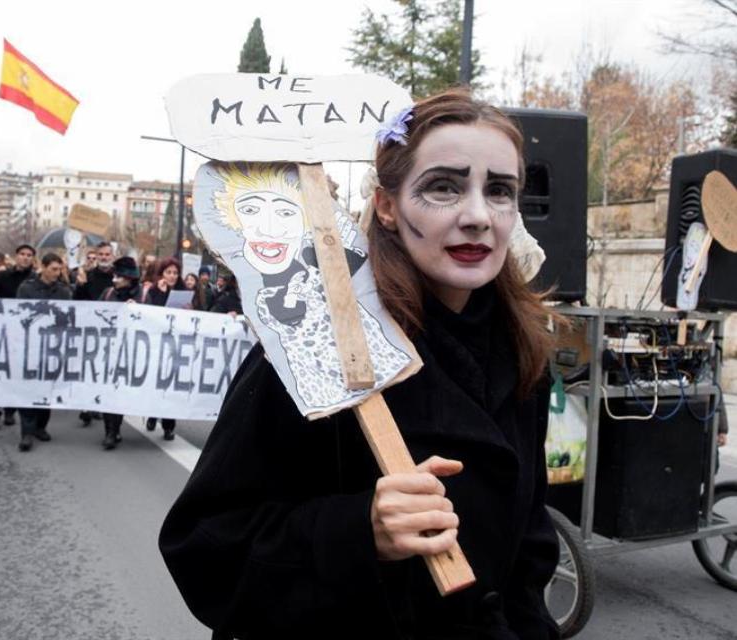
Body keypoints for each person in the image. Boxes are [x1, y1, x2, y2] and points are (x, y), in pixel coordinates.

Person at [160, 88, 560, 639]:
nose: (477, 216)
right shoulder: (310, 347)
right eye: (443, 187)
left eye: (500, 191)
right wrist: (359, 531)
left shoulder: (524, 354)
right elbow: (203, 547)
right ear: (387, 205)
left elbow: (530, 544)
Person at [15, 253, 72, 452]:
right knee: (29, 388)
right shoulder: (27, 288)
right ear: (43, 267)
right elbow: (20, 314)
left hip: (53, 347)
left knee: (47, 389)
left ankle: (40, 426)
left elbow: (68, 317)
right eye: (53, 269)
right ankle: (27, 432)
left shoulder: (64, 291)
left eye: (59, 270)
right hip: (30, 346)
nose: (57, 273)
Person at [98, 256, 148, 449]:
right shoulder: (107, 293)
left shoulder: (142, 296)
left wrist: (139, 312)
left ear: (129, 278)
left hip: (131, 355)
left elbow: (154, 322)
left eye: (119, 277)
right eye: (114, 276)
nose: (114, 280)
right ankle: (110, 431)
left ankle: (114, 429)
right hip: (107, 352)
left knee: (119, 394)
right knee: (108, 392)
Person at [0, 243, 36, 431]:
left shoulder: (34, 279)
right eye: (22, 254)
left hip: (23, 333)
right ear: (16, 256)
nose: (25, 257)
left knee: (15, 372)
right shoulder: (2, 277)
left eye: (29, 255)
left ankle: (9, 410)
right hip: (1, 329)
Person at [142, 257, 184, 439]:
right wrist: (160, 293)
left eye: (175, 273)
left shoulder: (184, 291)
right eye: (169, 272)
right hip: (158, 346)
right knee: (157, 384)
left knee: (171, 388)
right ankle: (152, 415)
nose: (172, 276)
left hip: (176, 347)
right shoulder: (153, 289)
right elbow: (151, 313)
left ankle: (169, 426)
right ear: (162, 273)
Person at [74, 241, 114, 426]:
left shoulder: (118, 277)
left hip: (111, 331)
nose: (104, 257)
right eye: (102, 254)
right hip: (90, 329)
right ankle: (85, 406)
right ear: (97, 256)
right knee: (88, 370)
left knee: (104, 370)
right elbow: (77, 302)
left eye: (107, 254)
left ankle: (98, 404)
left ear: (112, 256)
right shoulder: (88, 276)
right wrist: (80, 286)